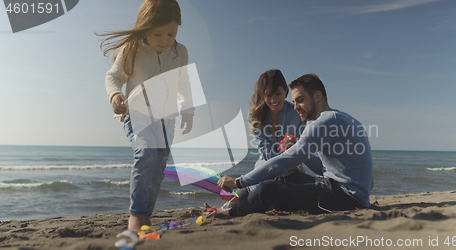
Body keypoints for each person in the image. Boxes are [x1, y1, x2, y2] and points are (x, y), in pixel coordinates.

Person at [218, 73, 373, 216]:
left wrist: (238, 181)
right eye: (294, 102)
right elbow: (324, 168)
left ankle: (228, 214)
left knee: (267, 189)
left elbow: (283, 162)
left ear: (317, 96)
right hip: (352, 195)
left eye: (300, 100)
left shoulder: (324, 123)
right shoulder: (338, 118)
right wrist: (299, 152)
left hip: (345, 198)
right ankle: (233, 205)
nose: (296, 106)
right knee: (284, 181)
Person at [101, 0, 194, 231]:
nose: (164, 40)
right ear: (145, 27)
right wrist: (114, 95)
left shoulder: (180, 52)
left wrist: (188, 109)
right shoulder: (131, 49)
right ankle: (135, 216)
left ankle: (146, 216)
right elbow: (113, 77)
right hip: (138, 115)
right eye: (158, 34)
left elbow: (184, 83)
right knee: (146, 154)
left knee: (158, 167)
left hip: (167, 119)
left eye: (171, 34)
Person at [203, 70, 323, 215]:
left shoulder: (297, 113)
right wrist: (290, 153)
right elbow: (267, 155)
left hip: (291, 170)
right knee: (252, 188)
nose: (273, 99)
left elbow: (300, 150)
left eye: (277, 93)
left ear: (286, 91)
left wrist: (295, 152)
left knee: (310, 188)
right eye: (268, 95)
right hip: (266, 168)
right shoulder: (255, 116)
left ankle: (225, 209)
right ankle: (222, 209)